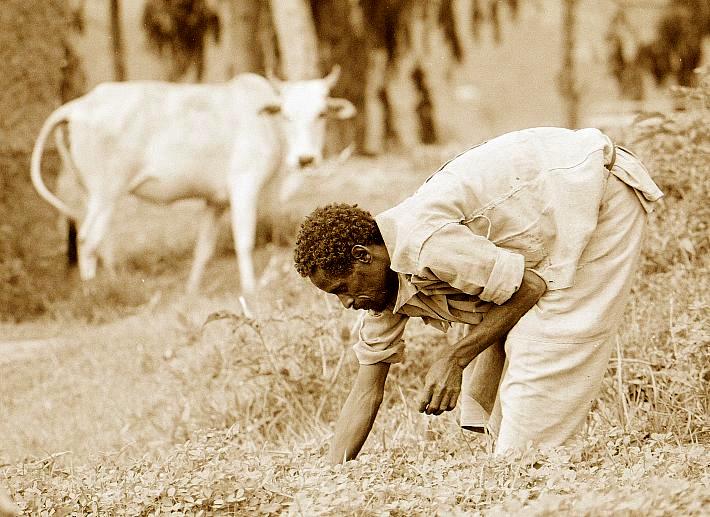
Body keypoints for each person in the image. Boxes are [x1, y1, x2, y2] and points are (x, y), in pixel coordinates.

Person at [293, 127, 663, 464]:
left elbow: (529, 287)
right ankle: (516, 462)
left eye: (343, 289)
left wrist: (455, 359)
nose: (346, 304)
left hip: (596, 192)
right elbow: (366, 391)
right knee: (518, 392)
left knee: (545, 352)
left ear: (363, 255)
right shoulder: (381, 285)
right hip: (549, 219)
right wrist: (330, 474)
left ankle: (528, 476)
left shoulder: (425, 243)